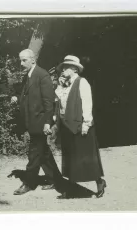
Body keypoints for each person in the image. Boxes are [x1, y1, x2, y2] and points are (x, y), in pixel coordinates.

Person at [10, 49, 62, 195]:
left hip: (40, 121)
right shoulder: (28, 75)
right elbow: (29, 97)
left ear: (33, 60)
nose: (21, 63)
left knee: (34, 153)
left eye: (24, 60)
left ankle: (28, 183)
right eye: (20, 60)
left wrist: (47, 122)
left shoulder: (42, 74)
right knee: (43, 153)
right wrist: (17, 98)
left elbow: (49, 101)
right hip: (31, 121)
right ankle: (55, 180)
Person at [54, 55, 107, 198]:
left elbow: (87, 104)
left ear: (74, 69)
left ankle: (99, 181)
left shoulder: (82, 82)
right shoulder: (65, 85)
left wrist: (86, 124)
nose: (63, 70)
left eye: (66, 67)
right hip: (67, 126)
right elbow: (60, 104)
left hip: (81, 125)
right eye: (63, 67)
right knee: (70, 157)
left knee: (86, 157)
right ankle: (70, 188)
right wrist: (60, 85)